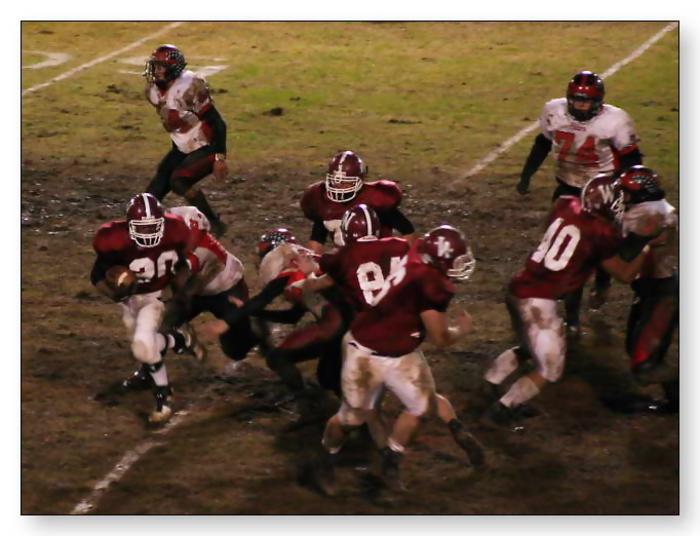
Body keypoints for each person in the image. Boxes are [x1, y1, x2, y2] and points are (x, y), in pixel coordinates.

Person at [312, 225, 484, 495]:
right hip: (366, 352)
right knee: (351, 419)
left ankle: (390, 462)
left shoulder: (417, 253)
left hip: (401, 349)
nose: (460, 265)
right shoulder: (431, 284)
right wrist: (461, 330)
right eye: (455, 260)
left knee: (422, 407)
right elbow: (439, 338)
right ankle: (326, 458)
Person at [481, 176, 655, 426]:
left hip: (518, 288)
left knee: (529, 348)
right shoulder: (600, 232)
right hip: (538, 303)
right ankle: (503, 409)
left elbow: (555, 229)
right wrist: (647, 246)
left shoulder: (565, 203)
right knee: (549, 370)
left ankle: (490, 382)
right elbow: (624, 274)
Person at [516, 70, 644, 325]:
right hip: (568, 186)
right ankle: (571, 315)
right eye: (576, 99)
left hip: (604, 191)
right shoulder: (554, 111)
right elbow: (542, 143)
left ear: (598, 101)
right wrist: (526, 175)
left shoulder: (615, 120)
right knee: (570, 251)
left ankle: (602, 283)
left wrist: (628, 191)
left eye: (585, 100)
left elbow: (631, 159)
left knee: (602, 245)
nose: (580, 105)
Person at [90, 193, 203, 424]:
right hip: (130, 299)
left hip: (155, 296)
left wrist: (177, 289)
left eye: (153, 226)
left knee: (142, 346)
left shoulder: (175, 230)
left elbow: (185, 263)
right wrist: (115, 293)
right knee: (142, 346)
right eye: (143, 228)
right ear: (129, 226)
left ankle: (163, 395)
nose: (149, 233)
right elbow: (97, 275)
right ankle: (177, 340)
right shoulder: (114, 238)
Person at [143, 44, 229, 236]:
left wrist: (219, 157)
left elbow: (218, 123)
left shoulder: (189, 87)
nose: (156, 71)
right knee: (151, 195)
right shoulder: (153, 92)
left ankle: (214, 223)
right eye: (155, 66)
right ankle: (146, 228)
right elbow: (176, 126)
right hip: (182, 147)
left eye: (161, 67)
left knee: (178, 180)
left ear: (173, 69)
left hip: (207, 145)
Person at [162, 206, 259, 363]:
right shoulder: (177, 218)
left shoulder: (198, 252)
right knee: (160, 326)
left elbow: (180, 289)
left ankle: (258, 329)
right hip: (196, 287)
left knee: (236, 350)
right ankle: (152, 370)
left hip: (226, 289)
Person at [618, 166, 678, 411]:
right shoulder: (659, 208)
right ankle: (676, 401)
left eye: (626, 192)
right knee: (636, 348)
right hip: (655, 290)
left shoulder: (645, 214)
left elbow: (625, 254)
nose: (623, 197)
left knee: (644, 365)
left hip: (663, 293)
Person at [300, 150, 415, 253]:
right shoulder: (324, 202)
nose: (339, 185)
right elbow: (315, 243)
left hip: (377, 258)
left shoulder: (375, 199)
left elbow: (407, 231)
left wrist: (408, 260)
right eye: (335, 181)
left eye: (346, 181)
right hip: (344, 260)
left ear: (359, 180)